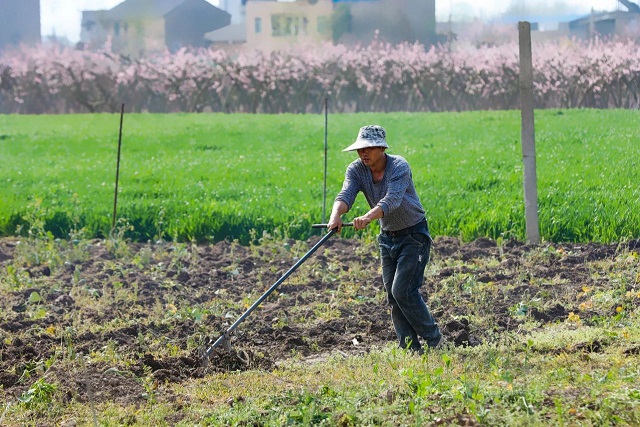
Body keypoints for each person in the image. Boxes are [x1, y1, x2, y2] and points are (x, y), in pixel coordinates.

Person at [327, 124, 444, 353]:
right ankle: (410, 348)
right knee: (392, 294)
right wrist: (336, 215)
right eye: (360, 149)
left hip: (413, 235)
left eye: (369, 148)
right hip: (387, 238)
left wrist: (368, 217)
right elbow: (346, 194)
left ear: (381, 147)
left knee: (403, 290)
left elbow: (392, 200)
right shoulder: (356, 170)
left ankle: (435, 341)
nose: (363, 153)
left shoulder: (399, 166)